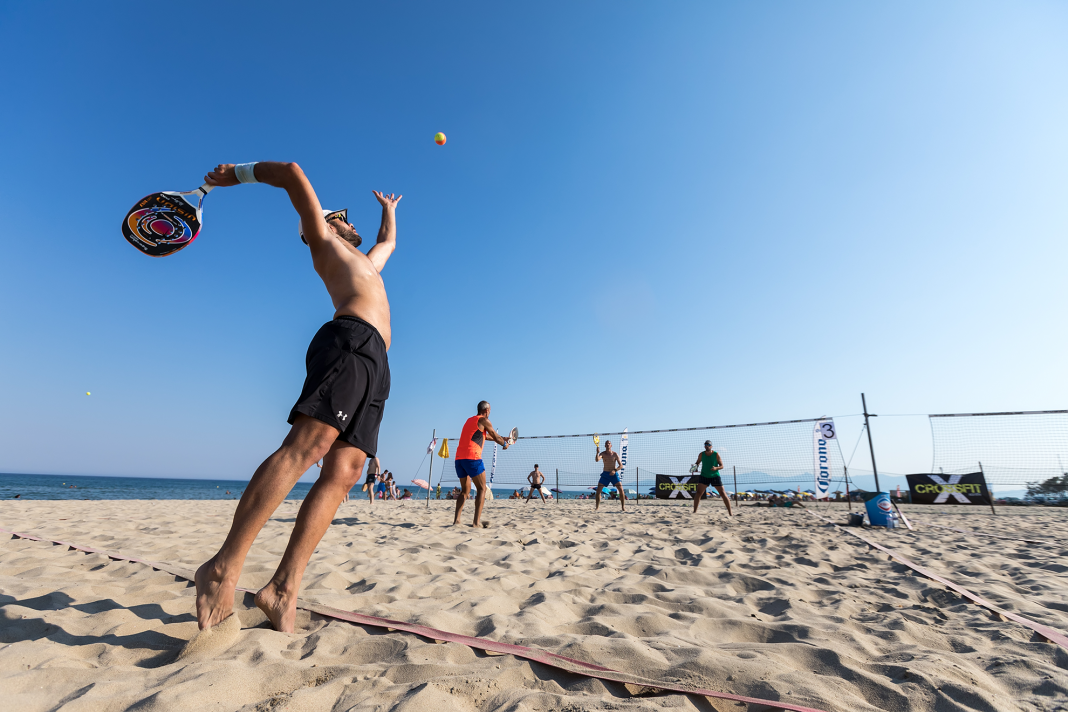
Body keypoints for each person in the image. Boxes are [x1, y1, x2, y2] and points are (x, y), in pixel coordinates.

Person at [193, 161, 401, 633]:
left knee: (346, 472)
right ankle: (223, 567)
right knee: (306, 448)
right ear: (322, 225)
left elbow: (388, 243)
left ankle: (283, 588)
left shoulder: (365, 263)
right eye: (341, 213)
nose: (351, 219)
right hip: (348, 342)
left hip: (377, 361)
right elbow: (290, 172)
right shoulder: (323, 242)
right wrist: (238, 175)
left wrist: (388, 210)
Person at [452, 401, 510, 526]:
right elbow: (493, 434)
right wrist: (504, 444)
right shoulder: (484, 420)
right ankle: (476, 523)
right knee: (482, 488)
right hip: (473, 458)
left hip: (459, 459)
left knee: (465, 491)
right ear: (487, 410)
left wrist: (502, 438)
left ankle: (456, 521)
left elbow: (487, 436)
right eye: (490, 410)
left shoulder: (469, 420)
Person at [692, 440, 732, 516]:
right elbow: (697, 463)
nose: (707, 446)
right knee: (698, 493)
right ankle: (694, 511)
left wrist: (716, 468)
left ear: (711, 446)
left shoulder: (716, 454)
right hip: (704, 475)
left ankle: (730, 513)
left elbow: (722, 466)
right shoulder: (701, 454)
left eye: (708, 444)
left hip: (715, 476)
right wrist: (695, 467)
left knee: (723, 493)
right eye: (705, 444)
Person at [594, 439, 626, 511]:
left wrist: (615, 470)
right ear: (605, 446)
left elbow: (621, 465)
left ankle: (623, 507)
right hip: (605, 474)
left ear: (611, 445)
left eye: (609, 443)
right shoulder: (602, 454)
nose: (608, 444)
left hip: (614, 474)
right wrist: (597, 453)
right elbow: (597, 459)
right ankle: (597, 507)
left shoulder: (615, 454)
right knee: (598, 491)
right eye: (606, 443)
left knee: (621, 490)